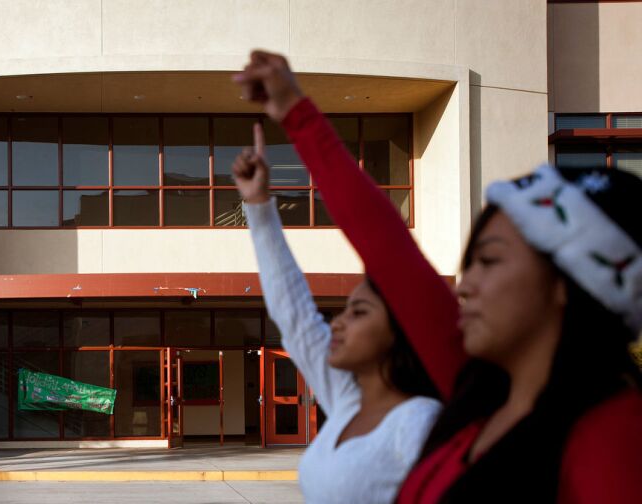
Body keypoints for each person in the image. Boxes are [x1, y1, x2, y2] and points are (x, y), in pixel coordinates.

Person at [232, 50, 642, 503]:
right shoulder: (479, 393)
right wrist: (294, 113)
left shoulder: (614, 436)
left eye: (489, 261)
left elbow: (387, 250)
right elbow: (385, 245)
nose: (464, 285)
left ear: (566, 281)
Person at [232, 123, 441, 503]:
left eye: (359, 312)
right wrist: (259, 206)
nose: (338, 322)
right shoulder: (346, 403)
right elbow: (293, 313)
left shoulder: (419, 421)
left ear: (401, 329)